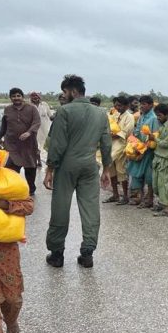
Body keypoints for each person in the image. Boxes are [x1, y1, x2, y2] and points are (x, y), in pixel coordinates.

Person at [44, 74, 112, 268]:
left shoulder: (64, 111)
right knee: (91, 209)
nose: (63, 95)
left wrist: (50, 169)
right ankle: (87, 253)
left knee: (60, 207)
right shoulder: (100, 113)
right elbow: (106, 144)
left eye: (65, 92)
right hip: (90, 165)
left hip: (67, 166)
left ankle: (57, 254)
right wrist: (107, 168)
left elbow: (57, 144)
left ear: (73, 91)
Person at [0, 151, 34, 333]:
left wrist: (2, 204)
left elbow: (29, 205)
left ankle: (11, 320)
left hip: (5, 253)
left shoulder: (7, 182)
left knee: (12, 299)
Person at [0, 88, 40, 195]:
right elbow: (4, 124)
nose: (16, 98)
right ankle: (13, 188)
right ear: (10, 98)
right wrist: (0, 136)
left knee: (30, 167)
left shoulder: (32, 108)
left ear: (22, 97)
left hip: (28, 144)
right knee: (10, 167)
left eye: (18, 96)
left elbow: (37, 122)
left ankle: (31, 189)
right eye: (13, 96)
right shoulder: (7, 109)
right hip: (11, 144)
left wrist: (29, 132)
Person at [126, 96, 159, 208]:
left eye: (144, 104)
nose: (142, 106)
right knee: (136, 173)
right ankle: (137, 197)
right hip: (138, 149)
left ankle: (149, 200)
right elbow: (136, 132)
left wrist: (144, 149)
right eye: (141, 104)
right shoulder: (142, 117)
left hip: (148, 152)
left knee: (148, 176)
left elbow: (154, 136)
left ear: (150, 105)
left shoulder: (154, 118)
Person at [103, 96, 135, 205]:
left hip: (122, 144)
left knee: (121, 171)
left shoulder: (129, 117)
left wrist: (115, 134)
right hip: (112, 144)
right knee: (111, 169)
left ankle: (125, 196)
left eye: (120, 105)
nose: (117, 107)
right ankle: (115, 194)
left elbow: (127, 132)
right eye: (116, 105)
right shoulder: (115, 115)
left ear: (126, 106)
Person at [150, 103, 168, 217]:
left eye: (160, 115)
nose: (158, 118)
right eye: (157, 115)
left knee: (163, 184)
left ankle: (167, 208)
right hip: (158, 157)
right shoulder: (162, 125)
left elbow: (166, 143)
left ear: (167, 114)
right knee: (156, 184)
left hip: (166, 159)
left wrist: (154, 138)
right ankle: (163, 204)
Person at [29, 91, 53, 166]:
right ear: (30, 97)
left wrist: (58, 115)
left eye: (36, 96)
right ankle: (38, 161)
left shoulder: (45, 105)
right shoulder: (28, 105)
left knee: (44, 146)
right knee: (36, 145)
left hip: (45, 129)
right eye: (33, 96)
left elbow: (50, 116)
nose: (35, 97)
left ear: (39, 97)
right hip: (33, 129)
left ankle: (48, 162)